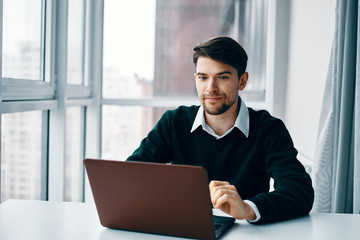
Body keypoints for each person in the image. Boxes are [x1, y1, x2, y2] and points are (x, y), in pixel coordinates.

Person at [126, 36, 314, 224]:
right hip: (183, 230)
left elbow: (299, 191)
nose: (211, 88)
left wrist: (248, 208)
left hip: (246, 235)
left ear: (242, 81)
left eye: (222, 77)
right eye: (203, 77)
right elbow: (130, 176)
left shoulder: (268, 129)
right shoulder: (174, 123)